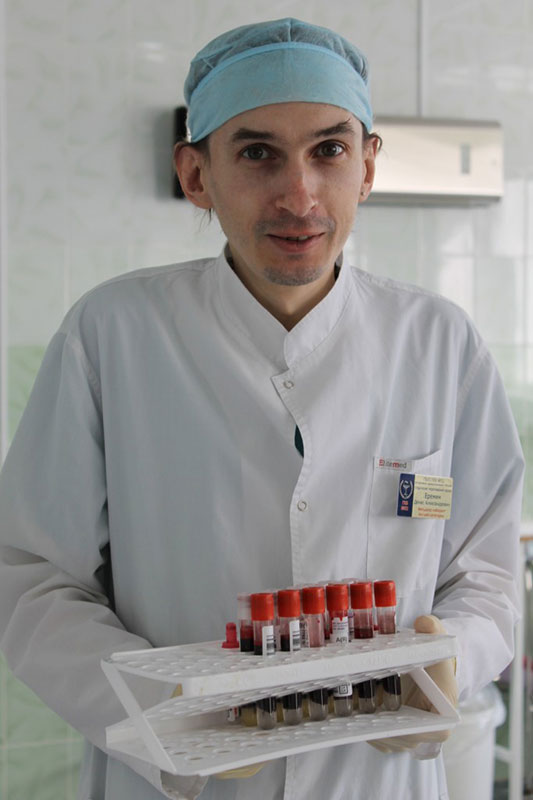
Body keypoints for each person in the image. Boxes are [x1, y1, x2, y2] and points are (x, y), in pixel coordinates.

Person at [0, 16, 524, 800]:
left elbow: (485, 571)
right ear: (196, 173)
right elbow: (34, 578)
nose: (298, 195)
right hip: (179, 782)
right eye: (256, 153)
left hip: (372, 779)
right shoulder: (113, 334)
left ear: (366, 166)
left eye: (328, 150)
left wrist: (453, 658)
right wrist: (167, 713)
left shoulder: (439, 344)